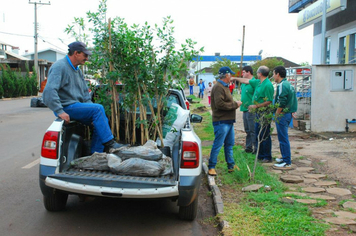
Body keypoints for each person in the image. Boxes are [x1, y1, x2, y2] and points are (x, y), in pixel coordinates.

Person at [43, 41, 125, 154]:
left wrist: (92, 113)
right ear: (76, 53)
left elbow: (86, 96)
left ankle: (96, 154)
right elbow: (48, 92)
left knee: (100, 120)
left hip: (76, 107)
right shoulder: (59, 67)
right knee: (98, 109)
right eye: (85, 55)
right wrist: (59, 111)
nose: (86, 58)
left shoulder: (78, 71)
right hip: (66, 108)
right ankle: (110, 144)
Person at [232, 66, 274, 162]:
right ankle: (260, 154)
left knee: (264, 134)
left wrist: (256, 106)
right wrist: (234, 78)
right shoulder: (259, 82)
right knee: (258, 133)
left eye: (257, 72)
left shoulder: (267, 85)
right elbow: (246, 81)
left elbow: (269, 101)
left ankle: (267, 156)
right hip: (257, 111)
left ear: (260, 73)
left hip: (263, 112)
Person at [208, 66, 242, 176]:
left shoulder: (225, 86)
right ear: (226, 75)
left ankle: (231, 166)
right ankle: (211, 167)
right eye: (230, 75)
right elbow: (220, 104)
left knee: (229, 144)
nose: (231, 76)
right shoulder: (218, 87)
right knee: (218, 144)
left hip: (228, 121)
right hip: (221, 121)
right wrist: (235, 105)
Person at [272, 66, 298, 169]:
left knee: (283, 138)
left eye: (274, 74)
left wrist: (277, 114)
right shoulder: (289, 84)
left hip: (283, 114)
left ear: (278, 74)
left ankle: (287, 161)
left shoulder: (282, 85)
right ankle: (284, 157)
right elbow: (293, 100)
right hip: (288, 113)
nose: (273, 76)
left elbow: (281, 102)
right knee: (282, 137)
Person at [236, 66, 257, 153]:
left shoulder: (254, 82)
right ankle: (248, 147)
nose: (242, 74)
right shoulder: (244, 84)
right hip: (244, 109)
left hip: (251, 110)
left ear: (249, 72)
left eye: (244, 72)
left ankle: (256, 148)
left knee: (253, 130)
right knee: (247, 130)